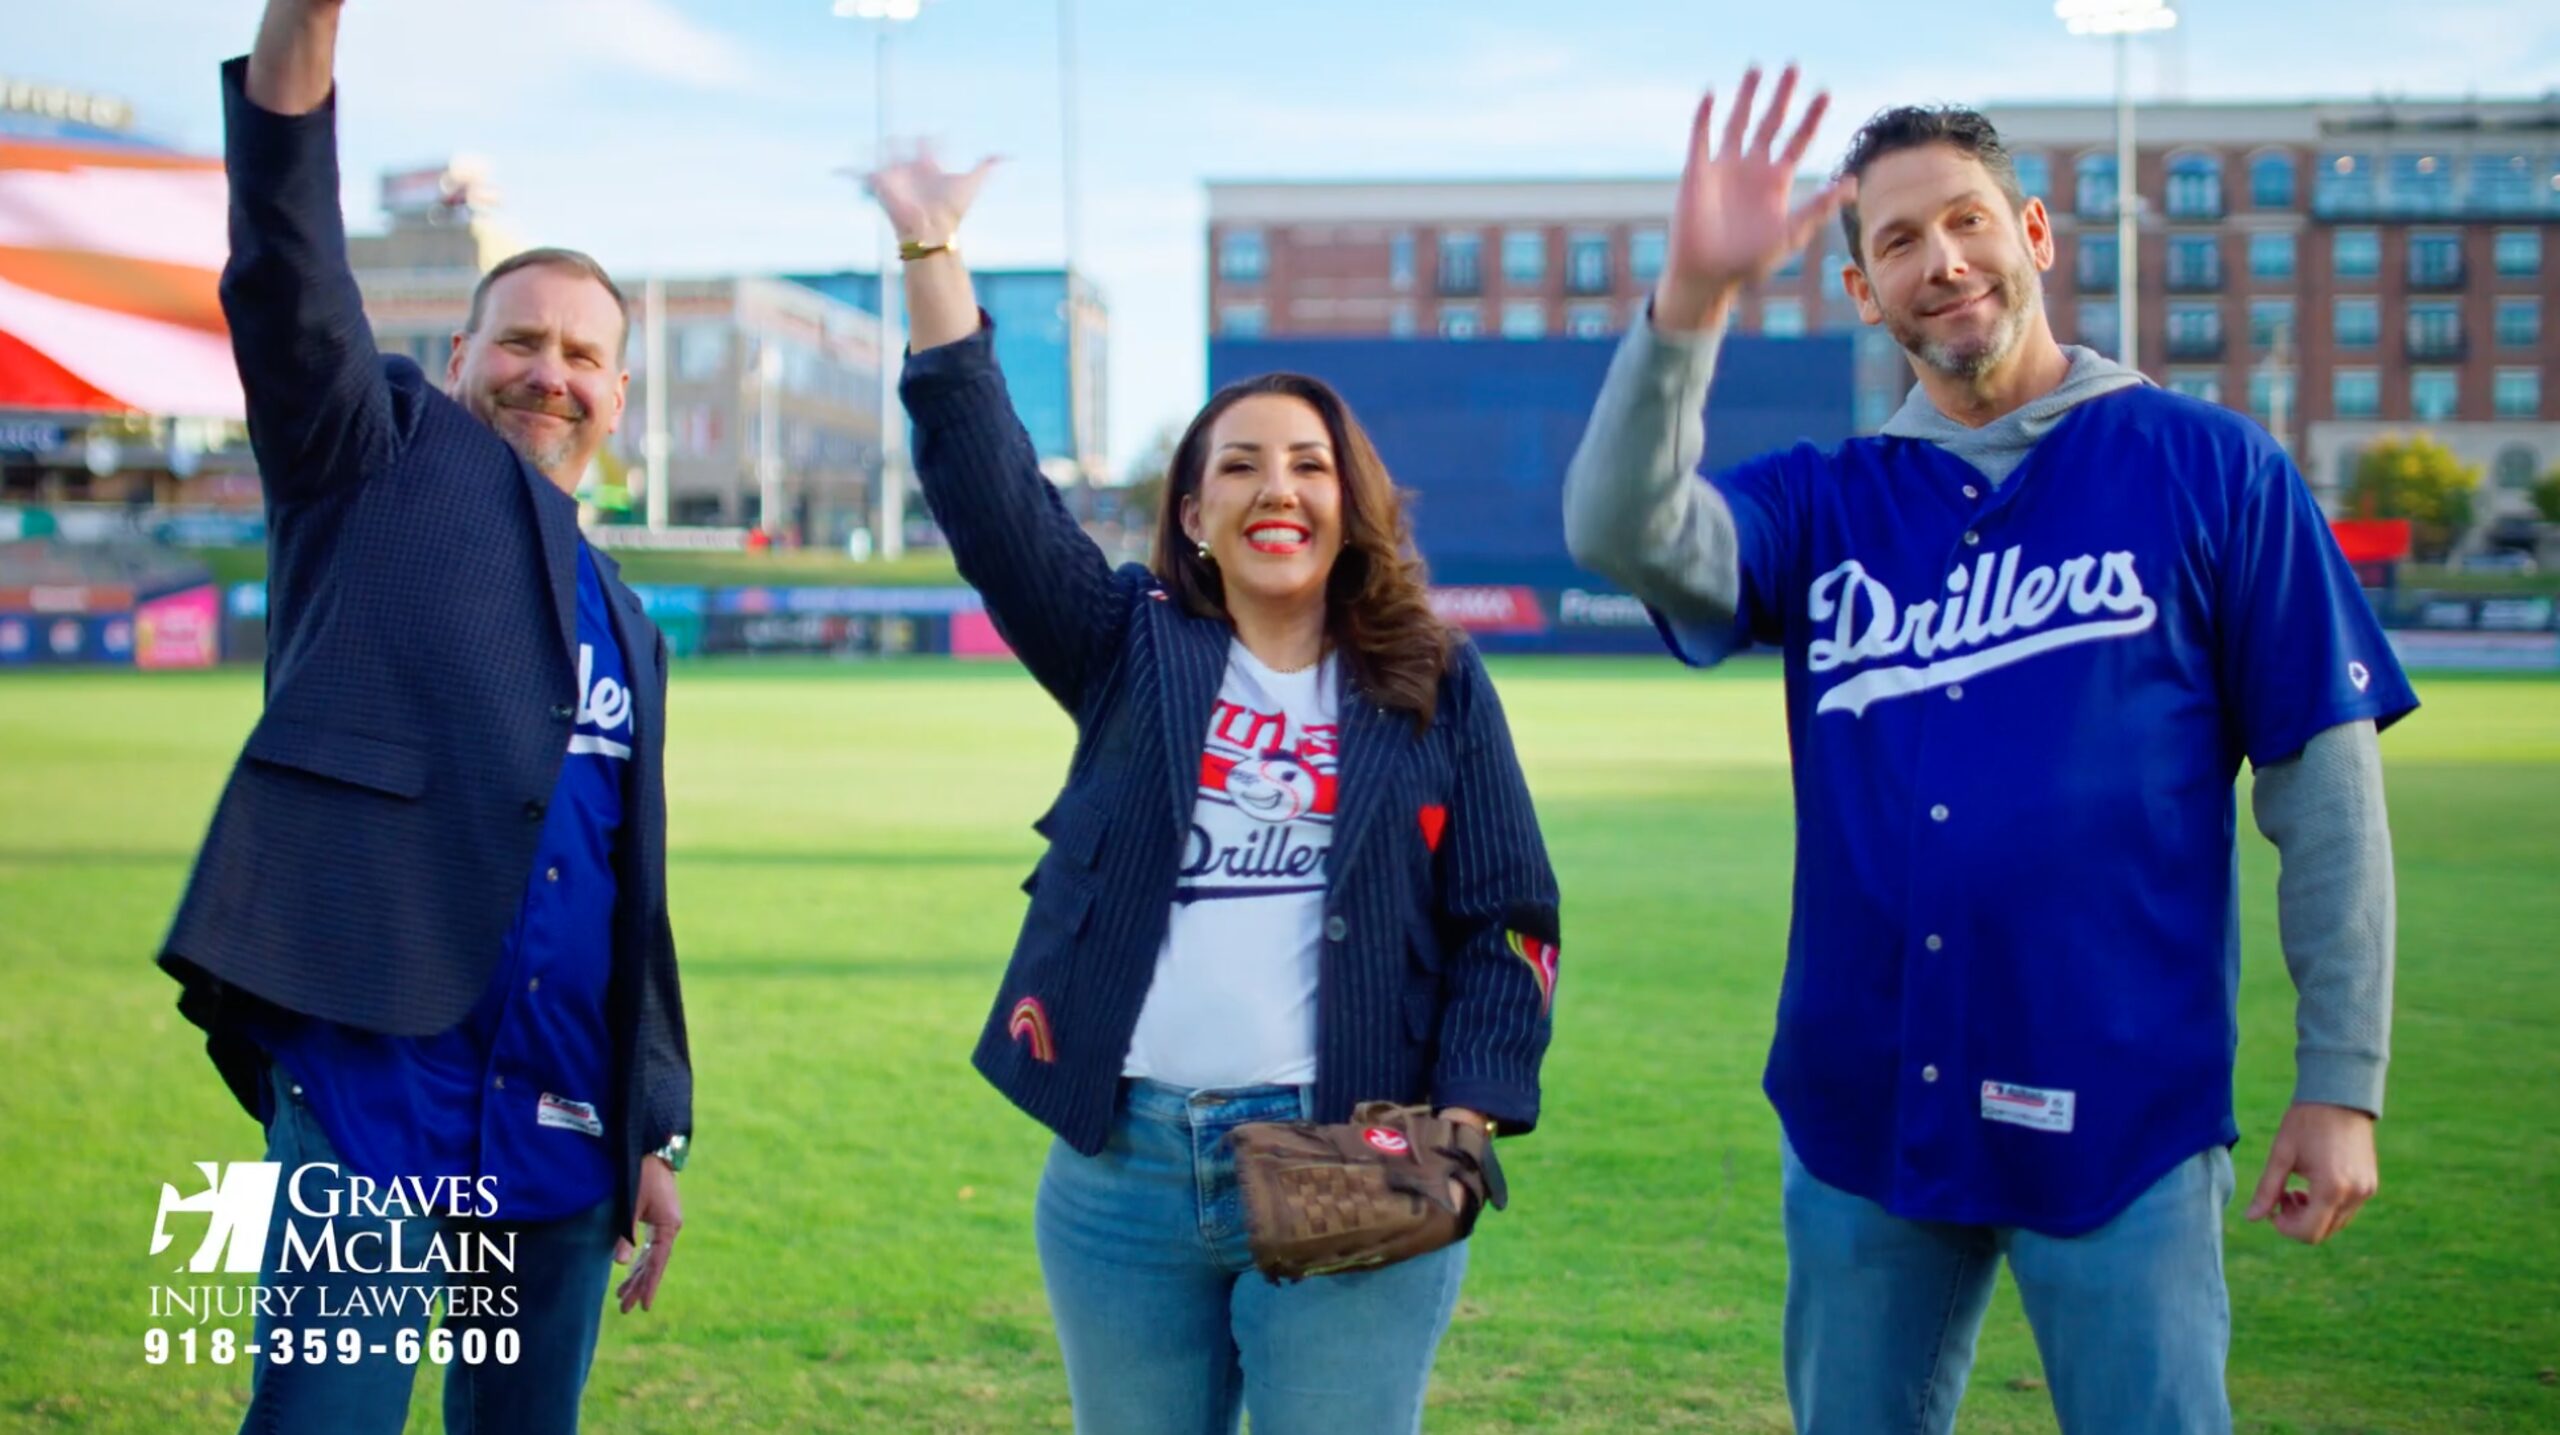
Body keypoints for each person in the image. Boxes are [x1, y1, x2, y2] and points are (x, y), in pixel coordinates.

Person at [1563, 67, 2416, 1435]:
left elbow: (2328, 801)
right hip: (1863, 1114)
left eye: (1964, 221)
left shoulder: (2215, 467)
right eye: (1895, 240)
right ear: (1860, 291)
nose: (1939, 260)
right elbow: (1621, 530)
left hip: (2127, 1108)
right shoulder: (1826, 501)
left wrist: (2342, 1081)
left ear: (2035, 231)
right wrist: (1692, 300)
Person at [869, 149, 1562, 1433]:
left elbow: (1511, 920)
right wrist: (932, 252)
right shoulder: (1127, 645)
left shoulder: (1430, 684)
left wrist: (1461, 1119)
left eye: (1306, 463)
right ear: (1194, 512)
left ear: (1348, 501)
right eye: (1237, 466)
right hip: (1123, 1174)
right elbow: (991, 496)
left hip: (1355, 1153)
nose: (1275, 488)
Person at [155, 3, 692, 1429]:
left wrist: (654, 1118)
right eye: (522, 341)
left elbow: (629, 892)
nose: (551, 374)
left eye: (585, 356)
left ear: (618, 397)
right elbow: (285, 261)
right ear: (458, 355)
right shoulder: (370, 459)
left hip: (565, 1118)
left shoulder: (629, 622)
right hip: (379, 1075)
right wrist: (308, 23)